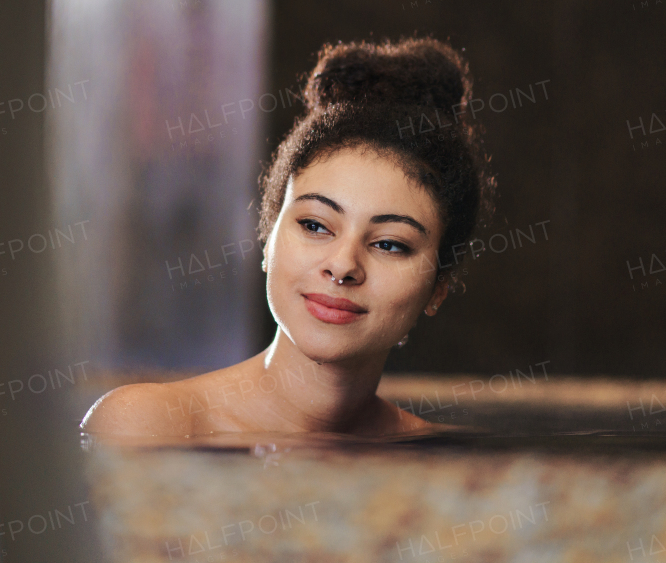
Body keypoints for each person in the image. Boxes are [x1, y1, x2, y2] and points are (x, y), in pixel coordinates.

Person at [81, 36, 496, 438]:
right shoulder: (149, 425)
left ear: (438, 289)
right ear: (268, 236)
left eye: (389, 243)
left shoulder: (435, 462)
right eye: (315, 225)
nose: (343, 265)